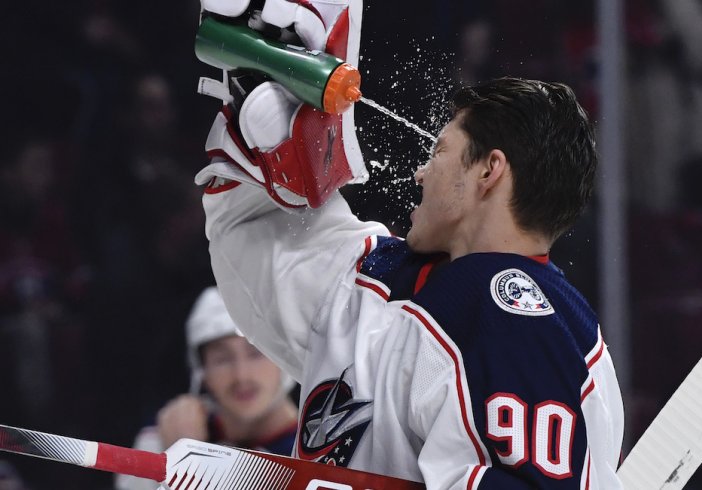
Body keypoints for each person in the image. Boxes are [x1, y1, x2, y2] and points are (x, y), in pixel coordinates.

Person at [194, 0, 624, 488]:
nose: (422, 170)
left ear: (489, 171)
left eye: (440, 151)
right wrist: (263, 111)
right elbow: (255, 250)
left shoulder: (522, 320)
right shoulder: (384, 278)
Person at [115, 287, 298, 490]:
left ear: (285, 359)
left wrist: (186, 467)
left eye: (256, 354)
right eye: (222, 359)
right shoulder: (162, 435)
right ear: (201, 371)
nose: (241, 376)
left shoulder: (322, 455)